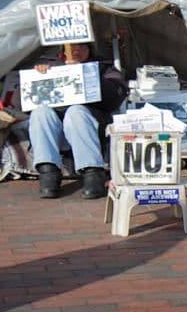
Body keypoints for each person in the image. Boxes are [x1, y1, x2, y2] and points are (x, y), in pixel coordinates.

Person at [28, 42, 127, 199]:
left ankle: (92, 173)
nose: (76, 50)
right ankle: (48, 173)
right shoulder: (49, 64)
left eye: (81, 46)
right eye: (72, 47)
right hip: (58, 128)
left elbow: (117, 95)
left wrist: (86, 75)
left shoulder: (102, 66)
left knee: (76, 112)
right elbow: (25, 101)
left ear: (89, 49)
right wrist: (39, 77)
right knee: (40, 113)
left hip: (89, 125)